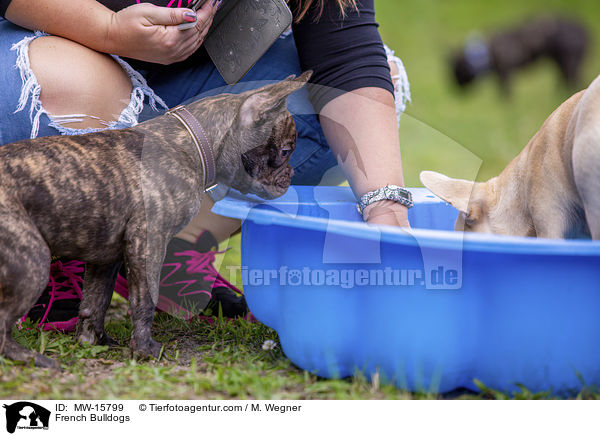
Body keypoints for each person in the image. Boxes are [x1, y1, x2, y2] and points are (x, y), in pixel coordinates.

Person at [0, 0, 411, 326]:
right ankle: (64, 245)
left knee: (364, 88)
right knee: (65, 79)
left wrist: (386, 208)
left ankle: (167, 245)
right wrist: (108, 30)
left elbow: (347, 58)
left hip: (187, 88)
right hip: (60, 45)